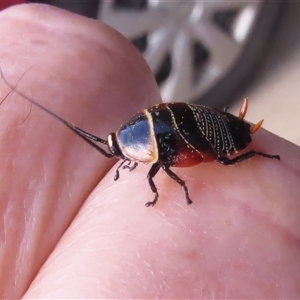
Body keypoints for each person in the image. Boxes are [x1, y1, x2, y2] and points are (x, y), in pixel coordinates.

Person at [0, 3, 299, 299]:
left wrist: (168, 188)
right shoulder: (133, 129)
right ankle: (252, 144)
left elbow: (160, 167)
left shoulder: (142, 151)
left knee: (223, 160)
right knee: (215, 158)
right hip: (199, 120)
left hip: (206, 131)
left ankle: (257, 151)